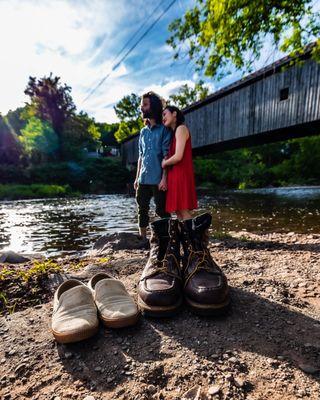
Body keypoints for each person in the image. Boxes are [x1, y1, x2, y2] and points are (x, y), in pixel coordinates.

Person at [134, 92, 171, 238]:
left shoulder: (164, 130)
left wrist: (164, 178)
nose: (141, 108)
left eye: (145, 104)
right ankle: (143, 238)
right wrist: (137, 178)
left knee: (162, 210)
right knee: (141, 209)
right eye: (141, 104)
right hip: (143, 179)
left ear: (153, 106)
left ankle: (168, 237)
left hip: (158, 180)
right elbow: (140, 157)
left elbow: (166, 156)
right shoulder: (143, 132)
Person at [161, 105, 198, 220]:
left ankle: (192, 237)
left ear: (174, 114)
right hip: (175, 174)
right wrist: (165, 178)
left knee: (183, 210)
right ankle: (184, 237)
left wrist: (165, 163)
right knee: (178, 211)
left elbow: (178, 156)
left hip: (181, 173)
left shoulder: (181, 129)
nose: (163, 118)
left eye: (164, 114)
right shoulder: (173, 133)